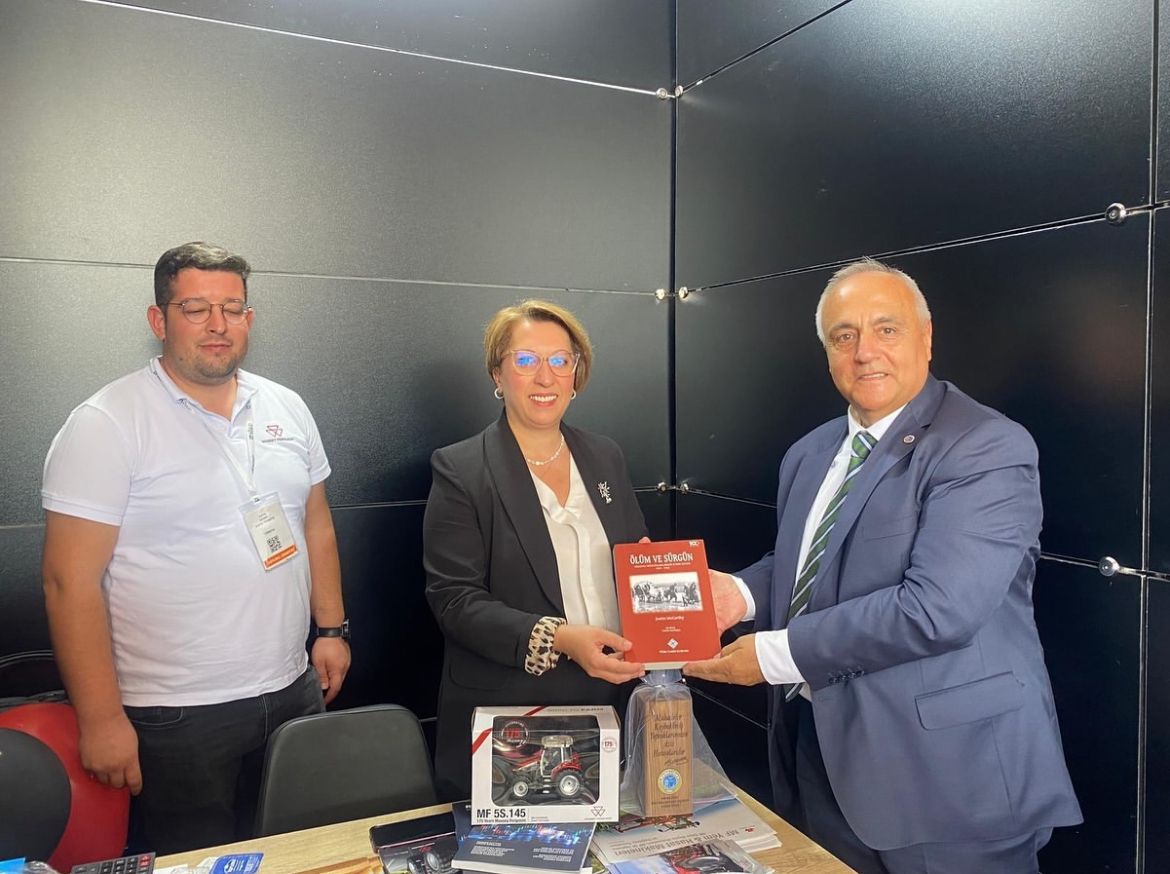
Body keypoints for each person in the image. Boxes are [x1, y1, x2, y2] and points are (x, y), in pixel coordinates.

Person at [685, 259, 1082, 874]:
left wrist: (773, 654)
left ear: (927, 336)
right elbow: (808, 562)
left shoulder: (985, 445)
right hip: (819, 757)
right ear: (827, 352)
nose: (864, 351)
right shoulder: (810, 452)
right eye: (844, 335)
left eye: (886, 329)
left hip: (949, 784)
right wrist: (741, 594)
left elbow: (937, 609)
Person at [41, 242, 350, 853]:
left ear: (249, 318)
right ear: (159, 320)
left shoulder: (286, 407)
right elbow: (67, 583)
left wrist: (333, 629)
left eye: (232, 309)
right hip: (175, 714)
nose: (217, 325)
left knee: (299, 854)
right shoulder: (107, 422)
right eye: (195, 308)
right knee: (196, 862)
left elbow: (315, 524)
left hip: (292, 687)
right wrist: (100, 720)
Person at [424, 300, 647, 800]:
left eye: (560, 360)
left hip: (613, 695)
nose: (545, 377)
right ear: (497, 375)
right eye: (526, 360)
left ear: (575, 374)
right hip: (515, 716)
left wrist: (653, 578)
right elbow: (454, 601)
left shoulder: (605, 456)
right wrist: (560, 638)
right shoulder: (462, 469)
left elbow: (635, 555)